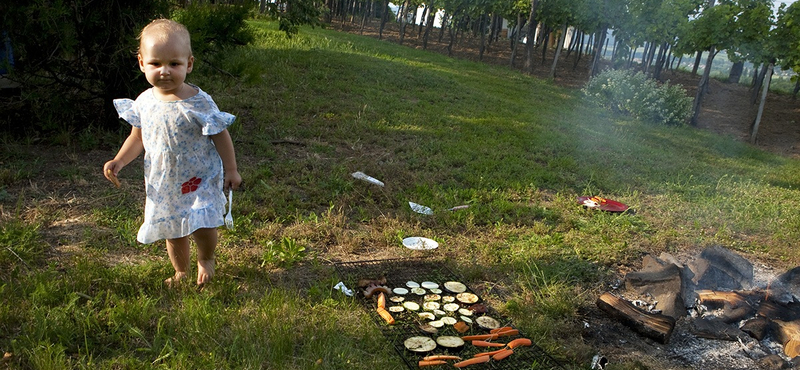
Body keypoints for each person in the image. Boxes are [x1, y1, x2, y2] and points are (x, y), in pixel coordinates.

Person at [103, 19, 241, 287]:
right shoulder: (144, 102)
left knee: (203, 226)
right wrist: (119, 160)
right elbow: (137, 137)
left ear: (189, 64)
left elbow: (220, 134)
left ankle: (206, 257)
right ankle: (181, 271)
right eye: (156, 64)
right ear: (142, 63)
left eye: (174, 64)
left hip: (198, 178)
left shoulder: (198, 102)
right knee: (172, 230)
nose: (164, 71)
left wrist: (231, 169)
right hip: (165, 181)